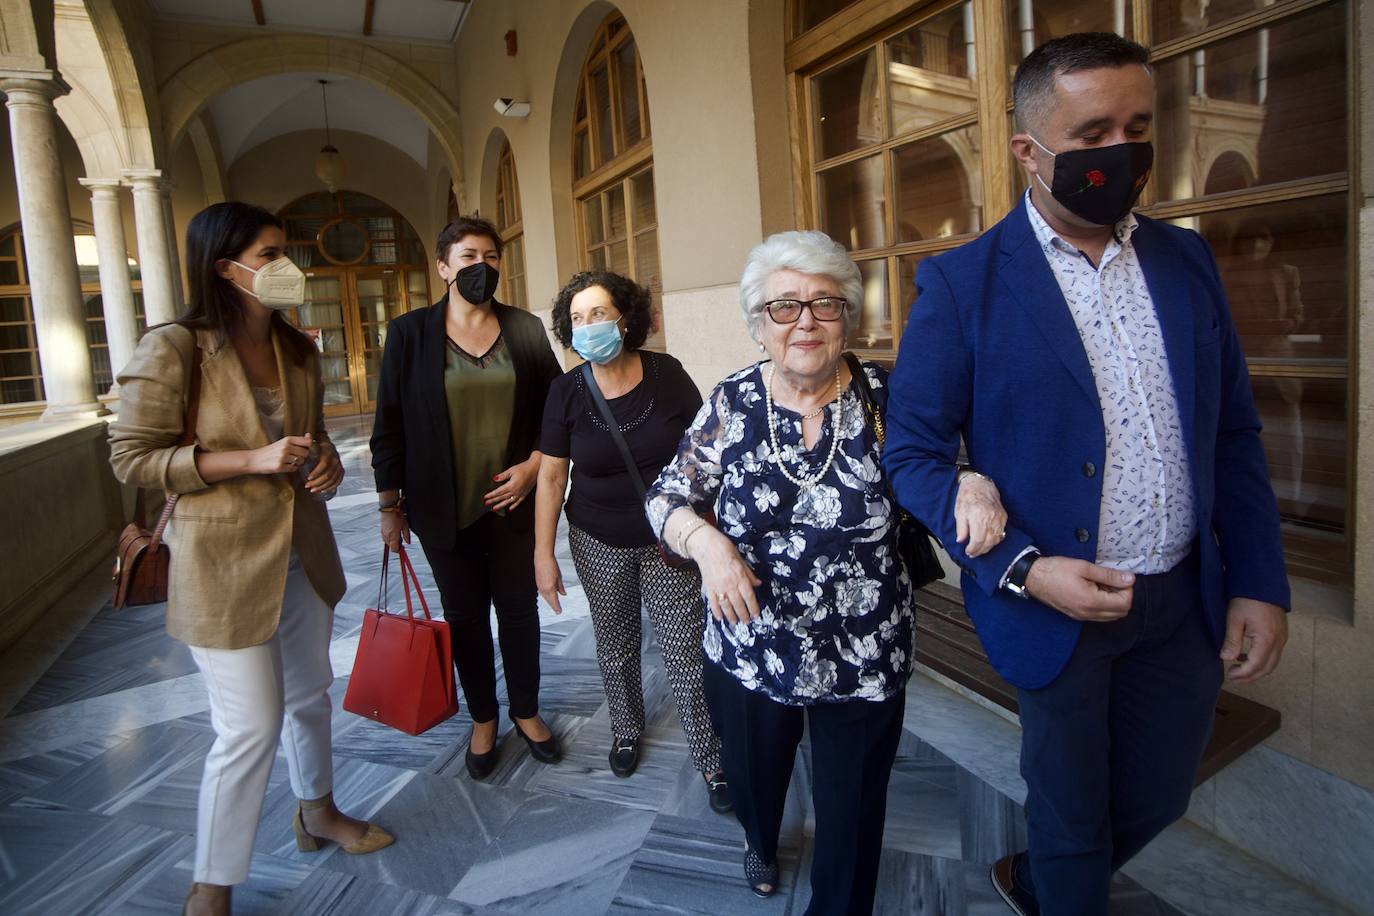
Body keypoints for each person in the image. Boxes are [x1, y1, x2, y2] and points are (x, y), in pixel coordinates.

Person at [882, 33, 1291, 916]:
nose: (1121, 152)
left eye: (1137, 126)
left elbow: (1233, 434)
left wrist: (1259, 580)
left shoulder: (1187, 261)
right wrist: (1023, 565)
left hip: (1182, 602)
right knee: (1073, 824)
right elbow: (909, 455)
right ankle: (1057, 882)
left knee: (1160, 797)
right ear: (1030, 151)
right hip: (1051, 608)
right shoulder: (963, 285)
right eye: (1094, 129)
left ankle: (1036, 879)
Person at [645, 230, 1006, 915]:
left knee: (855, 812)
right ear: (758, 324)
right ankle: (758, 833)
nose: (804, 320)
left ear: (850, 316)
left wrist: (973, 483)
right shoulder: (733, 403)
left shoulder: (887, 398)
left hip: (865, 653)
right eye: (783, 306)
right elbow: (665, 495)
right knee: (753, 779)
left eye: (824, 303)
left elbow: (942, 469)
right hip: (751, 644)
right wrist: (709, 545)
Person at [109, 202, 392, 916]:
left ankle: (319, 812)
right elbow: (131, 458)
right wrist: (248, 459)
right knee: (248, 726)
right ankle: (212, 883)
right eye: (269, 255)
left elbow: (314, 437)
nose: (285, 267)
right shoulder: (174, 347)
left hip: (302, 553)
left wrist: (324, 463)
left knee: (308, 699)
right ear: (223, 268)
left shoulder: (299, 348)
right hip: (222, 565)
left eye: (283, 252)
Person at [370, 215, 563, 778]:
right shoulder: (409, 334)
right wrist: (388, 505)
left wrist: (533, 467)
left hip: (512, 504)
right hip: (442, 507)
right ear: (443, 267)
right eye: (468, 256)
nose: (482, 267)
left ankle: (526, 711)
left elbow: (557, 412)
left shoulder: (524, 328)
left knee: (519, 613)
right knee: (466, 618)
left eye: (491, 256)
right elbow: (389, 423)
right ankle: (484, 718)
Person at [534, 270, 730, 811]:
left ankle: (711, 758)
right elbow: (551, 477)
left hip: (669, 538)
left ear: (626, 318)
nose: (587, 326)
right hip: (597, 538)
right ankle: (625, 727)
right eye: (576, 318)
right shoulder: (566, 392)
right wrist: (541, 554)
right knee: (615, 642)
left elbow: (704, 452)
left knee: (685, 650)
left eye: (598, 313)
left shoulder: (667, 374)